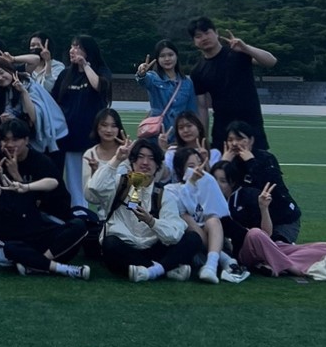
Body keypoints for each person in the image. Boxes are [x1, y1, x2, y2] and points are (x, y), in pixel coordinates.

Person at [88, 139, 202, 282]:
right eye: (140, 157)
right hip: (125, 246)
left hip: (153, 247)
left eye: (151, 158)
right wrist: (117, 159)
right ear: (132, 162)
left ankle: (151, 270)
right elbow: (95, 188)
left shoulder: (163, 194)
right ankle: (165, 269)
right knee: (110, 244)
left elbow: (174, 233)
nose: (145, 163)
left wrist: (152, 222)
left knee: (193, 238)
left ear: (158, 165)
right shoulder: (120, 183)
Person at [211, 162, 326, 280]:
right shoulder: (213, 202)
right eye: (214, 180)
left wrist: (264, 208)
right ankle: (291, 268)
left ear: (233, 182)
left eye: (222, 181)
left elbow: (267, 234)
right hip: (246, 252)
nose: (217, 184)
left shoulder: (247, 195)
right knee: (254, 234)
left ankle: (271, 264)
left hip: (270, 246)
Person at [0, 167, 90, 280]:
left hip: (53, 245)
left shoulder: (15, 192)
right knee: (10, 248)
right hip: (28, 250)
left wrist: (26, 187)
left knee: (78, 225)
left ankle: (37, 266)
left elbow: (53, 183)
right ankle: (65, 269)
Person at [188, 17, 277, 150]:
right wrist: (203, 138)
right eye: (198, 36)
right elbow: (202, 107)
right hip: (222, 128)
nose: (204, 38)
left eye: (207, 33)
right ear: (194, 41)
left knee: (255, 162)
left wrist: (246, 48)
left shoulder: (238, 53)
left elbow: (271, 61)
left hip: (251, 124)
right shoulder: (198, 71)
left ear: (216, 33)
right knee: (224, 163)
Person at [164, 147, 246, 284]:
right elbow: (183, 211)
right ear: (180, 169)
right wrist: (190, 183)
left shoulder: (207, 185)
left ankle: (211, 267)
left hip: (213, 240)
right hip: (188, 240)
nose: (197, 169)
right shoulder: (171, 189)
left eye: (199, 164)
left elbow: (219, 211)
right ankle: (224, 259)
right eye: (191, 166)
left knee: (213, 220)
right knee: (186, 218)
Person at [51, 35, 112, 211]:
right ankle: (80, 212)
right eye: (72, 46)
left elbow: (99, 86)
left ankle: (104, 213)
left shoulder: (100, 70)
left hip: (93, 137)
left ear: (88, 51)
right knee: (75, 181)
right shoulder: (65, 74)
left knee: (98, 179)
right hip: (70, 137)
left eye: (78, 47)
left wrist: (85, 65)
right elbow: (54, 101)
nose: (73, 50)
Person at [221, 120, 301, 242]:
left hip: (282, 219)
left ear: (251, 140)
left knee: (275, 248)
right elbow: (218, 191)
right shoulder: (229, 163)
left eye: (240, 139)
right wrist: (223, 164)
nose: (235, 143)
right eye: (230, 140)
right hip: (251, 220)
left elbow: (272, 188)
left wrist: (251, 162)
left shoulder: (266, 159)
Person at [135, 39, 197, 143]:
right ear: (157, 59)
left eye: (170, 55)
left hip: (178, 134)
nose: (167, 59)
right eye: (162, 56)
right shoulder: (153, 78)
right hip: (156, 133)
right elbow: (143, 80)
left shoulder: (187, 83)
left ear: (176, 56)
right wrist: (141, 73)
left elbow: (191, 112)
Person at [82, 108, 127, 219]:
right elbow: (90, 197)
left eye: (113, 126)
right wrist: (94, 173)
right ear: (97, 127)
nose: (109, 130)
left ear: (119, 128)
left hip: (130, 209)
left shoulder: (127, 152)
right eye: (104, 125)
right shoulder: (90, 154)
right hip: (105, 214)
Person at [162, 111, 220, 175]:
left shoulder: (214, 153)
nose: (185, 130)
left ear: (199, 128)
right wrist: (163, 149)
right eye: (181, 128)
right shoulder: (172, 153)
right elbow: (168, 176)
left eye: (189, 126)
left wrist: (205, 161)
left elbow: (215, 179)